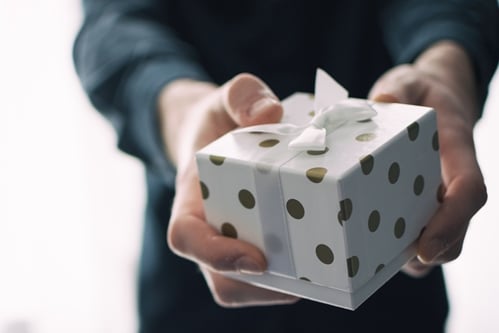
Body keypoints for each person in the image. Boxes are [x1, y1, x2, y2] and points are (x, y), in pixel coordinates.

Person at [74, 0, 499, 332]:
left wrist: (446, 64)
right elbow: (111, 24)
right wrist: (183, 112)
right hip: (194, 289)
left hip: (389, 290)